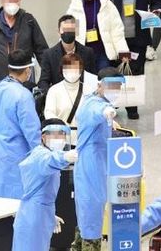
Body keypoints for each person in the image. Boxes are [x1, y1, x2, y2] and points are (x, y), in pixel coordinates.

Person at [105, 0, 161, 119]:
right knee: (114, 71)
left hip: (138, 36)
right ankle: (113, 104)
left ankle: (132, 106)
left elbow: (157, 1)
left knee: (136, 72)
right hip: (117, 36)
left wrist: (156, 10)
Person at [72, 68, 123, 251]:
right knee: (91, 218)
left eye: (118, 86)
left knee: (87, 219)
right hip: (89, 168)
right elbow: (96, 111)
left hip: (98, 166)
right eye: (112, 86)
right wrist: (107, 111)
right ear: (100, 85)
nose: (115, 90)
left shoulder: (100, 101)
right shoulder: (93, 104)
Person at [11, 119, 78, 251]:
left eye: (62, 133)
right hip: (33, 217)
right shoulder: (41, 155)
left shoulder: (43, 152)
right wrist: (65, 157)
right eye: (55, 134)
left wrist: (48, 214)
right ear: (43, 136)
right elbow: (49, 161)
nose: (60, 138)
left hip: (40, 213)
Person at [0, 50, 41, 199]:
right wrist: (41, 156)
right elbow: (32, 132)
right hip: (18, 155)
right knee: (16, 203)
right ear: (28, 70)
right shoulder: (23, 96)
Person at [66, 0, 129, 73]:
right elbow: (67, 31)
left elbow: (117, 31)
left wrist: (123, 52)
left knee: (104, 79)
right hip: (82, 53)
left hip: (102, 52)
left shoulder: (107, 5)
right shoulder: (75, 7)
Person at [38, 14, 95, 93]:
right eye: (65, 29)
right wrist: (51, 95)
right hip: (58, 97)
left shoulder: (88, 52)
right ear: (58, 31)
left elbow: (92, 78)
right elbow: (43, 81)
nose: (68, 32)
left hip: (82, 97)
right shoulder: (48, 55)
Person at [44, 53, 98, 127]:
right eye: (68, 68)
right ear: (62, 69)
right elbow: (49, 113)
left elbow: (96, 110)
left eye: (75, 68)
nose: (72, 71)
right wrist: (60, 126)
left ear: (81, 70)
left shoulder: (89, 89)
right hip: (61, 134)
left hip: (84, 134)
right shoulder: (54, 90)